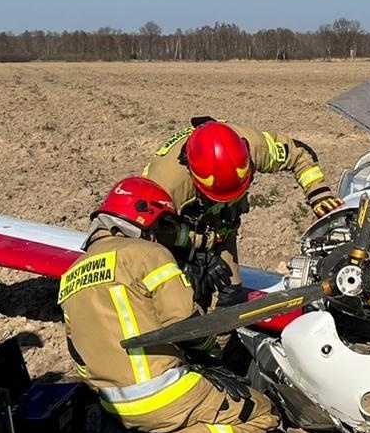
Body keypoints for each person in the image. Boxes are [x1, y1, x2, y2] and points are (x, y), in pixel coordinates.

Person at [59, 176, 281, 433]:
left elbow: (76, 354)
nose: (163, 236)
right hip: (164, 394)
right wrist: (210, 355)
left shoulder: (70, 276)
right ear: (144, 219)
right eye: (162, 225)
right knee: (263, 414)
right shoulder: (147, 254)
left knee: (154, 410)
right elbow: (186, 324)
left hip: (111, 403)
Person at [142, 119, 343, 304]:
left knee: (229, 297)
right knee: (181, 300)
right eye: (220, 194)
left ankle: (220, 339)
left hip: (221, 227)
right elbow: (149, 237)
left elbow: (299, 154)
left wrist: (319, 193)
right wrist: (196, 254)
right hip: (176, 232)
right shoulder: (165, 185)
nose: (228, 199)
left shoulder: (255, 148)